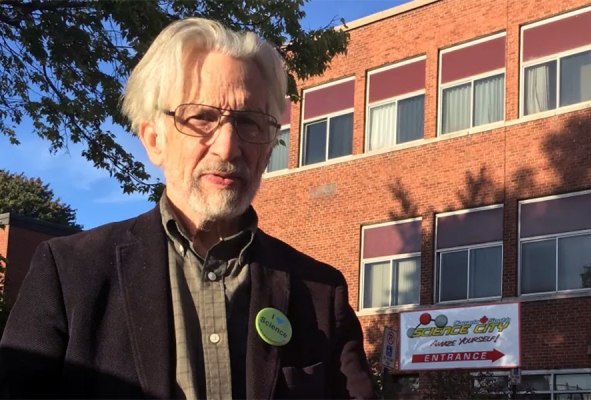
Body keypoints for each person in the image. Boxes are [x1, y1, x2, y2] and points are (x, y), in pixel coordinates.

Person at [0, 17, 375, 400]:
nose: (228, 148)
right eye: (201, 118)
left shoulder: (320, 293)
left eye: (250, 122)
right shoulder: (71, 274)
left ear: (268, 147)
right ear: (153, 140)